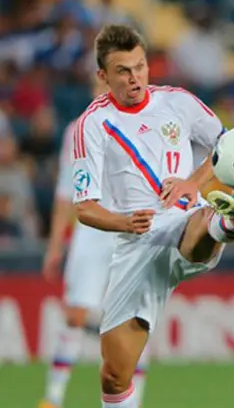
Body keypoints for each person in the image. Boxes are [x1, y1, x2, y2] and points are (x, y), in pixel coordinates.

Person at [73, 24, 234, 408]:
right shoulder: (92, 125)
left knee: (194, 230)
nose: (134, 77)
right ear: (103, 76)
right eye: (123, 70)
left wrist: (196, 182)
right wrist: (125, 222)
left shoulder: (178, 102)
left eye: (140, 66)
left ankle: (224, 222)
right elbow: (85, 207)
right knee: (113, 375)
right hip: (135, 241)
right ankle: (220, 221)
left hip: (183, 220)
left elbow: (232, 146)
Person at [39, 80, 148, 408]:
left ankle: (134, 401)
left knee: (135, 321)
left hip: (131, 232)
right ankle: (53, 398)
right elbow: (65, 191)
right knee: (75, 313)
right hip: (91, 230)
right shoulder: (78, 129)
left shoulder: (143, 123)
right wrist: (55, 245)